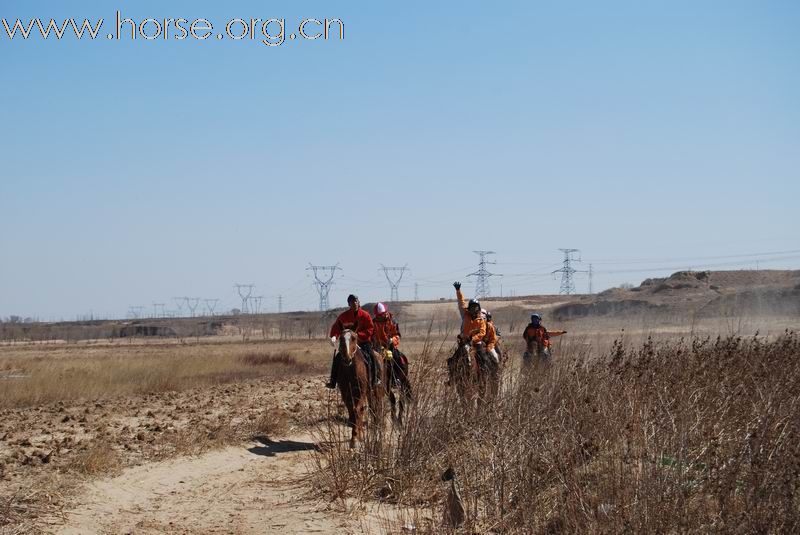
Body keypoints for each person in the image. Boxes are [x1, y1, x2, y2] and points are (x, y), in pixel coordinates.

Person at [326, 294, 379, 389]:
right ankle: (333, 381)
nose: (354, 303)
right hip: (348, 344)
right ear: (349, 304)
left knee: (371, 356)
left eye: (356, 301)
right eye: (352, 302)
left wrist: (359, 335)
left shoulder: (365, 315)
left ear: (358, 303)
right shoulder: (343, 316)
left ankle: (375, 380)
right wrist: (334, 336)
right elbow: (337, 327)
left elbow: (371, 329)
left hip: (363, 342)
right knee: (338, 358)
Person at [372, 302, 408, 387]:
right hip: (377, 347)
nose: (380, 317)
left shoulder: (392, 321)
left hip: (390, 346)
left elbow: (397, 335)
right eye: (378, 315)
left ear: (385, 312)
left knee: (397, 359)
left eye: (381, 314)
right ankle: (375, 379)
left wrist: (392, 339)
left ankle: (397, 379)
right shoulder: (373, 322)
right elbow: (371, 335)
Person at [452, 281, 488, 364]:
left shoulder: (481, 320)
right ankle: (452, 374)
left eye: (475, 308)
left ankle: (485, 373)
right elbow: (461, 302)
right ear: (469, 308)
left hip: (476, 343)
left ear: (478, 309)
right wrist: (458, 291)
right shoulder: (465, 314)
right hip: (464, 342)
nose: (474, 310)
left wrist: (473, 339)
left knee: (484, 359)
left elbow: (482, 333)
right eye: (472, 308)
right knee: (453, 360)